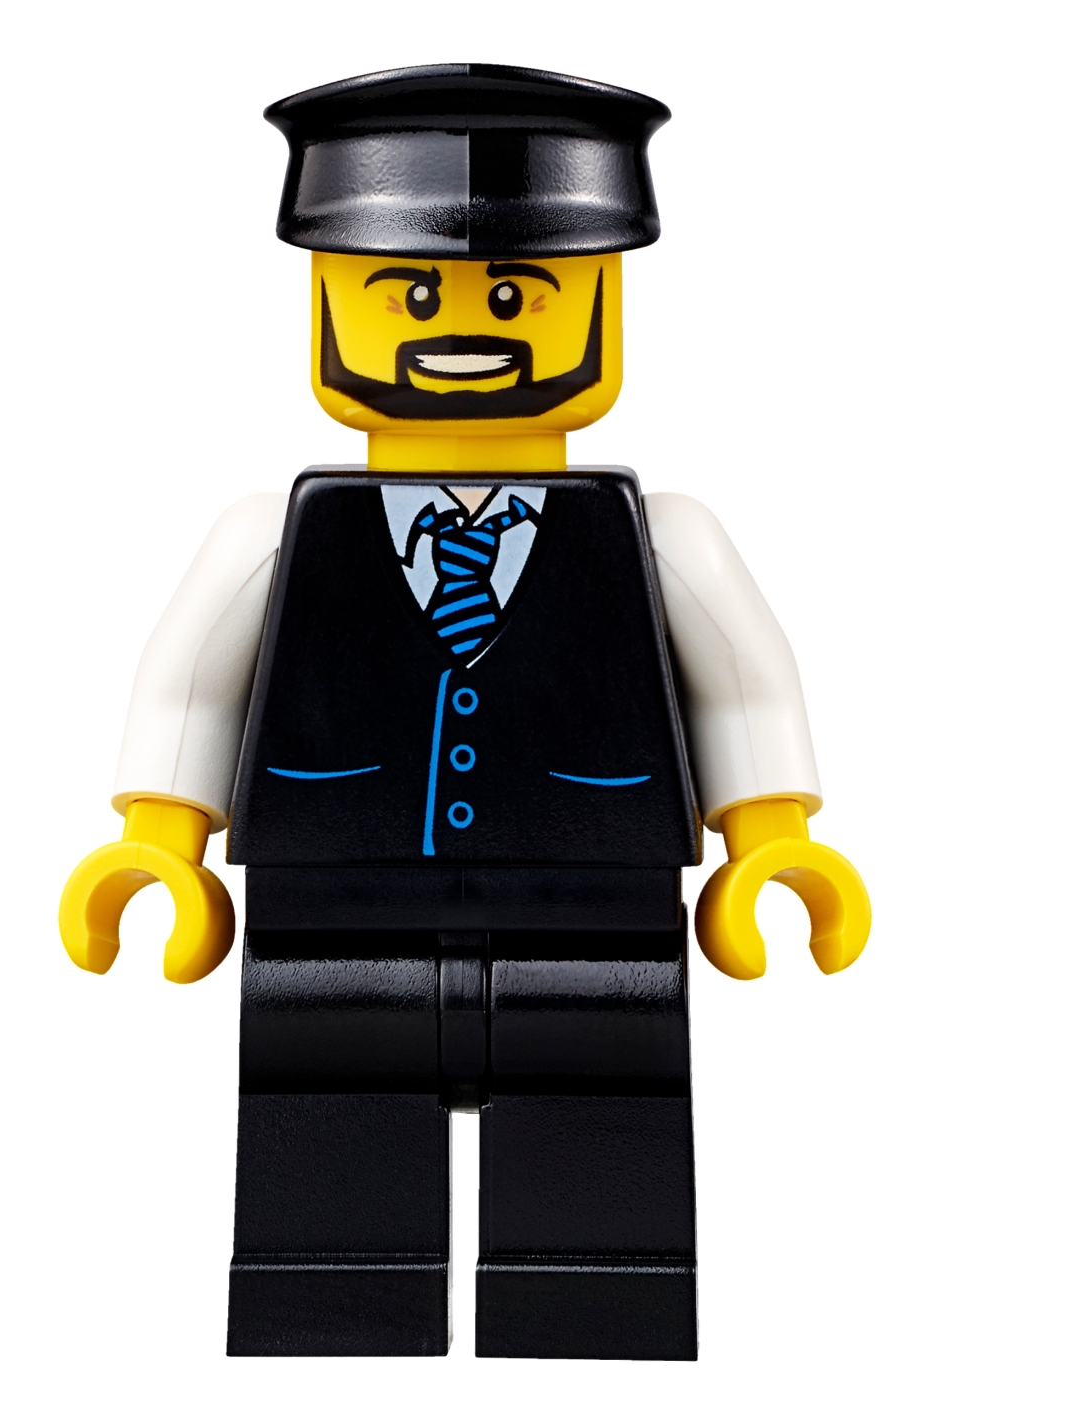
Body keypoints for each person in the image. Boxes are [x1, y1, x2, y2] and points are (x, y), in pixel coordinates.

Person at [58, 64, 870, 1360]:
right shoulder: (274, 534)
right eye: (413, 292)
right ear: (328, 301)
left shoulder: (664, 538)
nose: (462, 325)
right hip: (334, 910)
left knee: (602, 1114)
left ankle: (594, 1307)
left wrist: (771, 839)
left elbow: (746, 681)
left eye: (514, 294)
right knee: (324, 1114)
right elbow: (190, 682)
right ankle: (333, 1303)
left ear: (602, 301)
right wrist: (159, 840)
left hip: (596, 912)